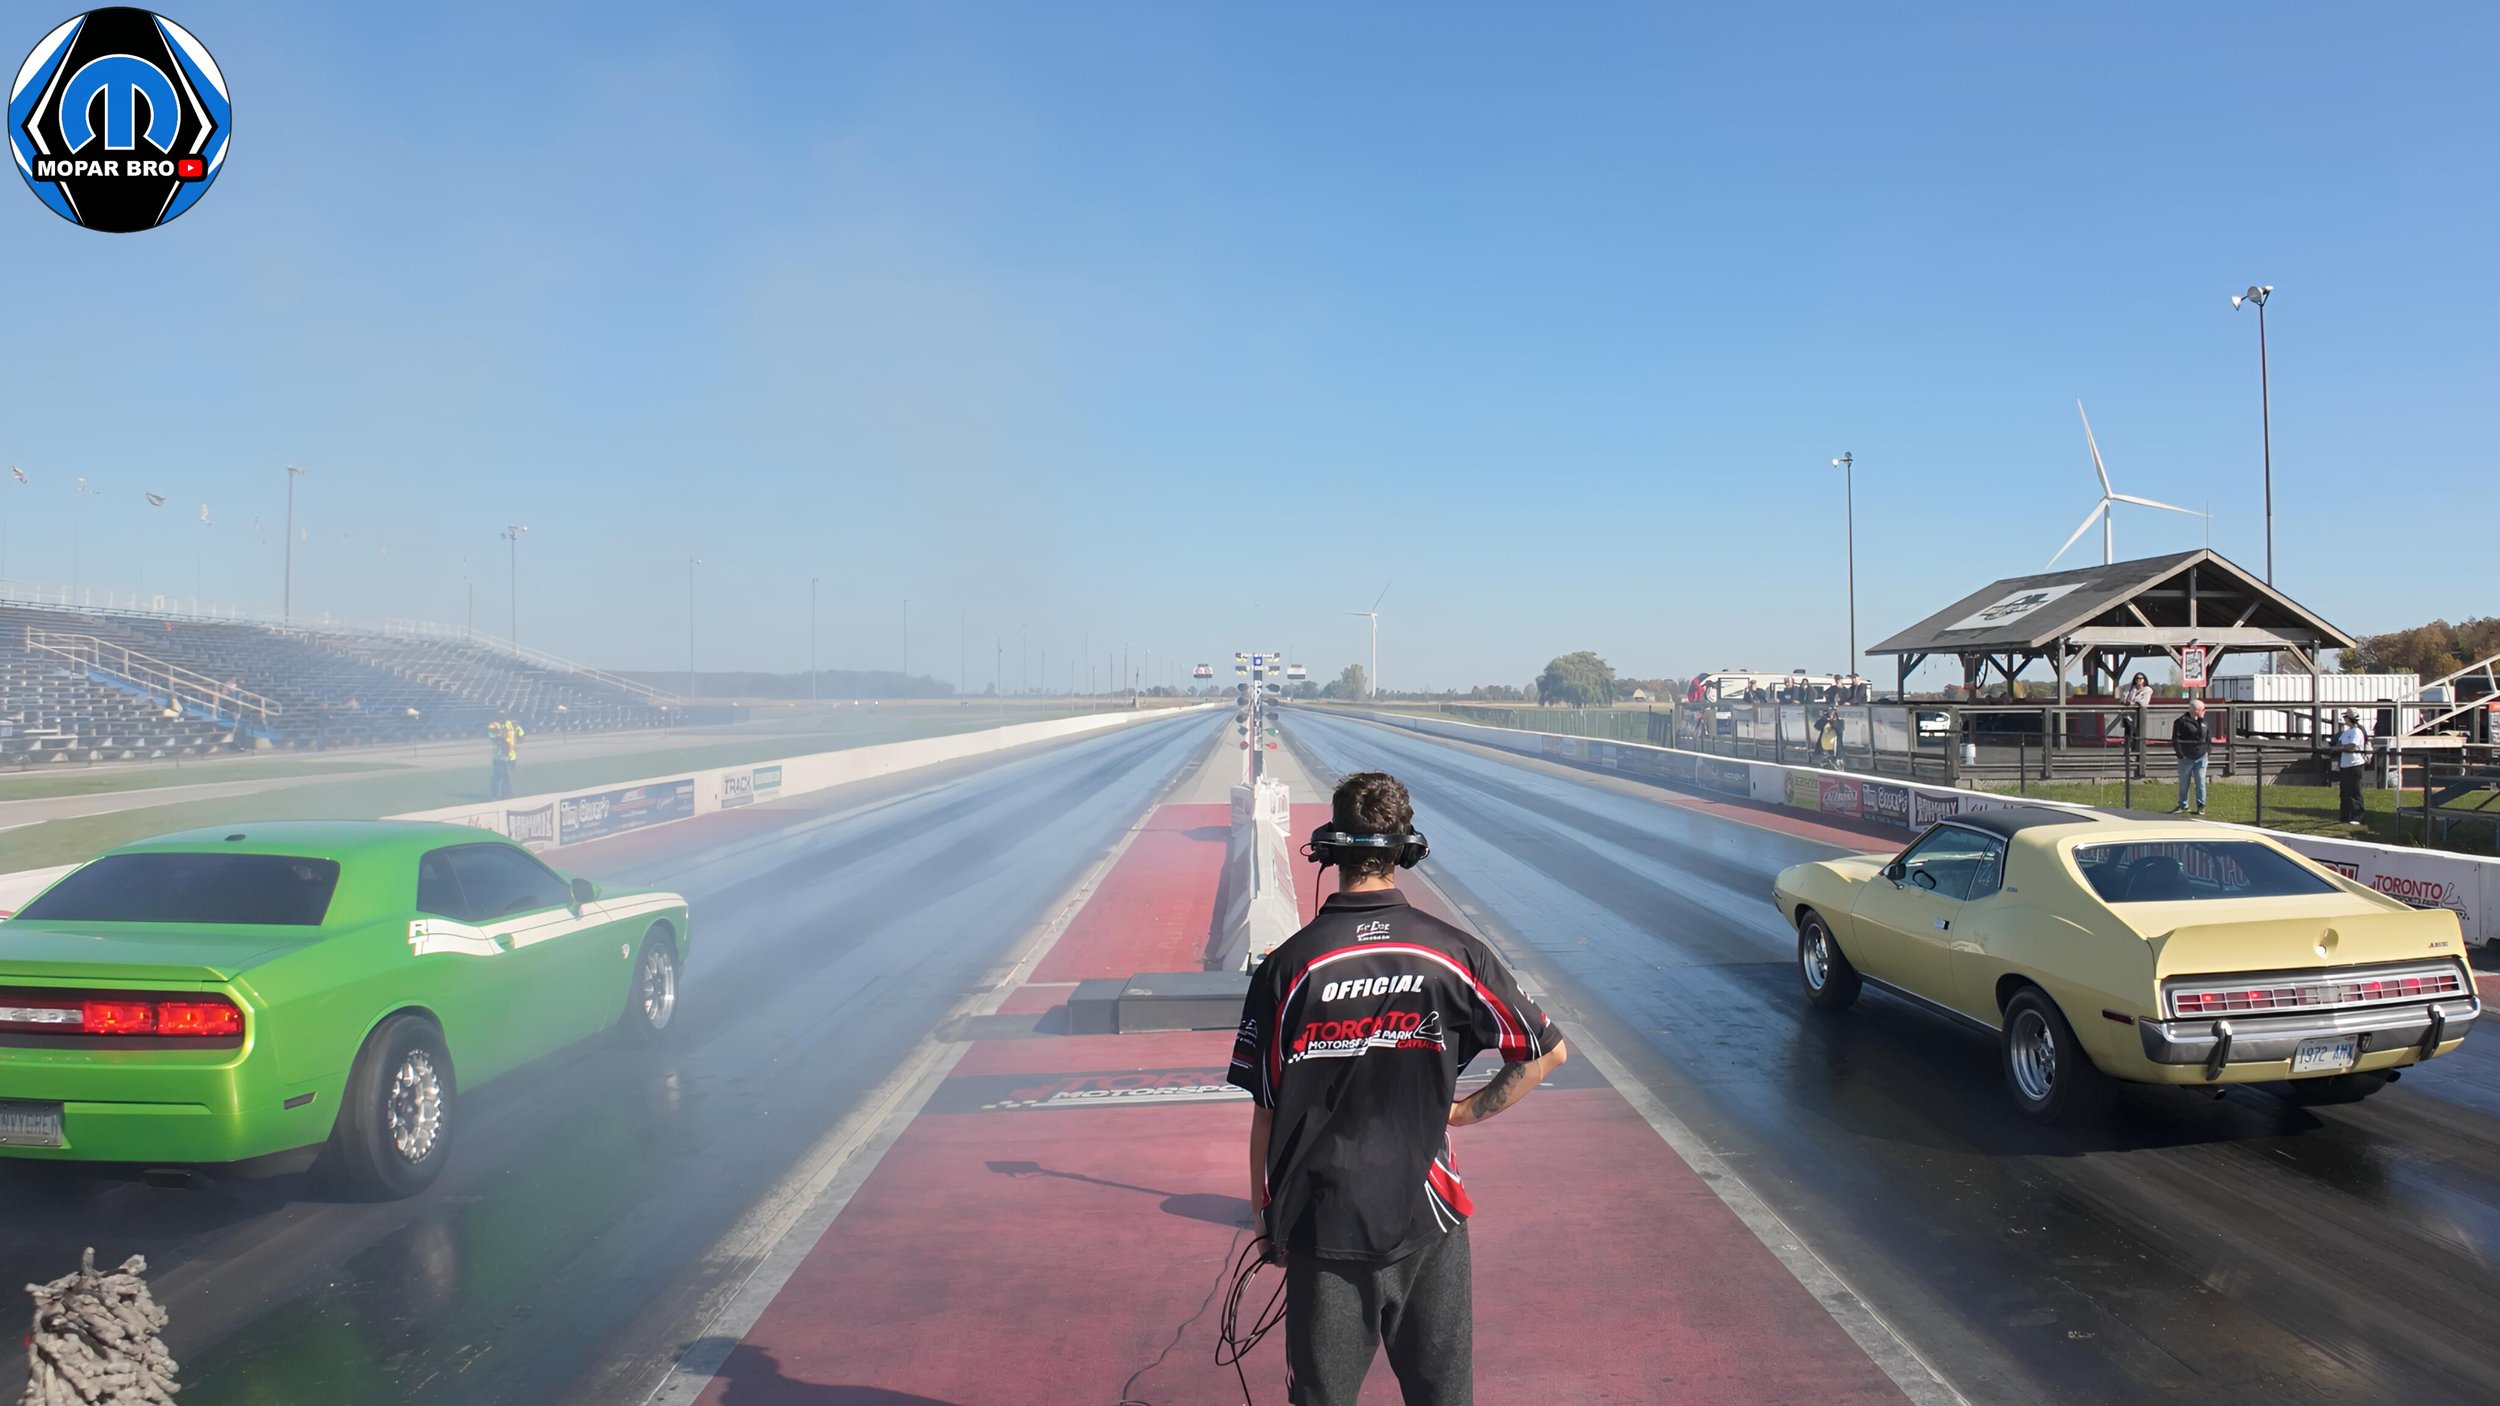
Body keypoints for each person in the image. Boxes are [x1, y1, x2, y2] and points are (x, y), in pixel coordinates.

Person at [1230, 772, 1568, 1406]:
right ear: (1405, 851)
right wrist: (1465, 1111)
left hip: (1319, 1223)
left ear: (1328, 852)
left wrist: (1264, 1218)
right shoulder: (1456, 953)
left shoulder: (1287, 966)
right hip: (1429, 1218)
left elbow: (1266, 1114)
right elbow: (1546, 1052)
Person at [2170, 697, 2214, 814]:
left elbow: (2209, 738)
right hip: (2186, 758)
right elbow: (2176, 739)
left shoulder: (2204, 722)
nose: (2204, 711)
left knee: (2200, 782)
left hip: (2201, 757)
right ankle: (2183, 805)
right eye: (2202, 709)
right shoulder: (2181, 722)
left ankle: (2201, 806)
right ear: (2195, 710)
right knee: (2184, 782)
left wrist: (2207, 751)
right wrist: (2180, 754)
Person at [2333, 709, 2370, 825]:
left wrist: (2339, 749)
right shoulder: (2346, 732)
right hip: (2345, 765)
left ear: (2350, 718)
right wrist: (2339, 748)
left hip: (2355, 764)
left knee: (2355, 791)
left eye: (2345, 717)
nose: (2344, 719)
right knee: (2344, 792)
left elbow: (2352, 746)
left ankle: (2358, 816)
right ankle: (2345, 816)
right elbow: (2339, 744)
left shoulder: (2357, 732)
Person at [486, 717, 523, 799]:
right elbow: (493, 738)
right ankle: (495, 795)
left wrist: (513, 742)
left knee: (508, 778)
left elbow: (521, 735)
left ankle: (506, 795)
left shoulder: (512, 724)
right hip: (499, 757)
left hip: (510, 757)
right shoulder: (494, 725)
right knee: (498, 776)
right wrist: (503, 738)